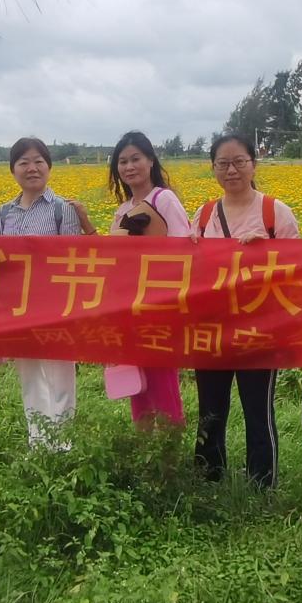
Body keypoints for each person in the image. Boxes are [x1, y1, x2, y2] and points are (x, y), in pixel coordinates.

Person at [190, 134, 300, 489]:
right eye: (222, 164)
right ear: (213, 169)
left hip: (260, 327)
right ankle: (208, 479)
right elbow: (190, 271)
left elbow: (300, 270)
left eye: (239, 162)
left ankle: (261, 484)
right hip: (212, 327)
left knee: (257, 408)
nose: (231, 170)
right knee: (210, 408)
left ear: (254, 164)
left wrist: (267, 253)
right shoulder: (204, 214)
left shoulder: (275, 212)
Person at [0, 137, 89, 449]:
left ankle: (62, 442)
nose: (31, 168)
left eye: (38, 161)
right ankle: (38, 441)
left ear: (49, 167)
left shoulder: (63, 209)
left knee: (61, 374)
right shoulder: (1, 214)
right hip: (19, 307)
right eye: (23, 162)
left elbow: (74, 260)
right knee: (30, 375)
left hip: (56, 305)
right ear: (13, 169)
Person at [107, 131, 192, 428]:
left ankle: (169, 453)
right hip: (129, 306)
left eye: (136, 159)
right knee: (136, 382)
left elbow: (183, 249)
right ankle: (144, 448)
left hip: (160, 305)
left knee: (163, 379)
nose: (129, 167)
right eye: (123, 162)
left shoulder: (163, 199)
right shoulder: (122, 210)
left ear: (151, 161)